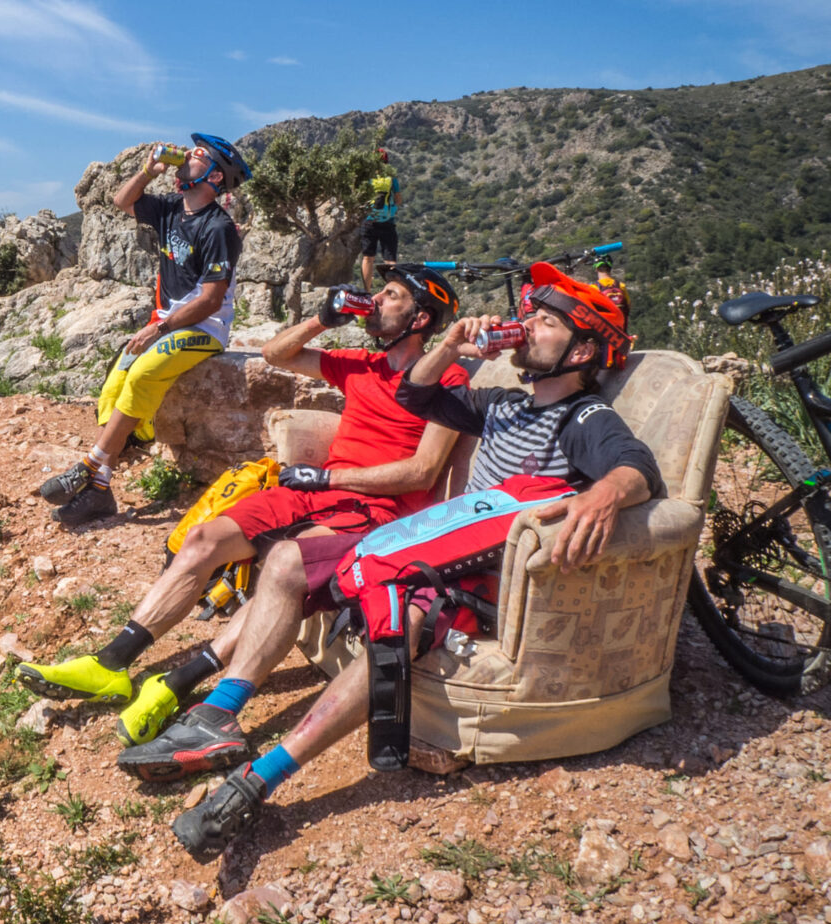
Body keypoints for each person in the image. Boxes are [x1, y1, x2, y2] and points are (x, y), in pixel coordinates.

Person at [173, 264, 657, 859]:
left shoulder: (582, 417)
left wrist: (605, 495)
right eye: (529, 314)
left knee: (398, 626)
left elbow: (635, 466)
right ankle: (220, 712)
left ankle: (257, 781)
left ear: (581, 351)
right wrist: (450, 344)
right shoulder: (502, 403)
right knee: (286, 561)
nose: (528, 325)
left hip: (472, 572)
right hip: (433, 541)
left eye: (545, 322)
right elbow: (415, 394)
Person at [19, 266, 468, 755]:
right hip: (315, 490)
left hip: (374, 511)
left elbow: (423, 472)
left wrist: (327, 478)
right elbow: (276, 354)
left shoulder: (447, 379)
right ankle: (110, 664)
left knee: (282, 570)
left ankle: (181, 683)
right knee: (203, 538)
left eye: (391, 295)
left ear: (420, 318)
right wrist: (322, 319)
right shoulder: (362, 363)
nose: (375, 299)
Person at [37, 134, 248, 527]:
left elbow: (210, 300)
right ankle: (100, 490)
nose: (187, 156)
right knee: (114, 386)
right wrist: (148, 171)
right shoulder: (170, 208)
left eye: (198, 154)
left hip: (204, 327)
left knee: (143, 374)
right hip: (166, 323)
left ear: (216, 176)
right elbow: (122, 201)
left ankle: (90, 465)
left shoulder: (219, 228)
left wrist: (159, 329)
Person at [359, 149, 402, 292]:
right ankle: (391, 292)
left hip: (369, 221)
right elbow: (398, 199)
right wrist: (392, 209)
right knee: (390, 260)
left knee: (368, 258)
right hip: (387, 221)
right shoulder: (391, 177)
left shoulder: (366, 176)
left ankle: (367, 292)